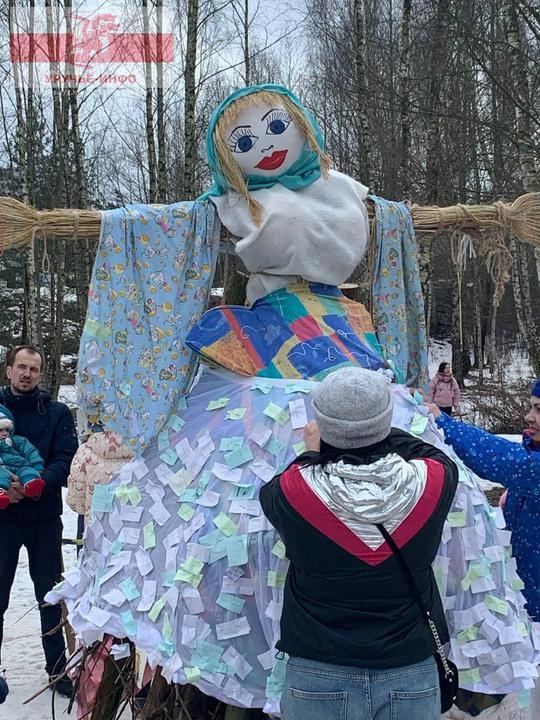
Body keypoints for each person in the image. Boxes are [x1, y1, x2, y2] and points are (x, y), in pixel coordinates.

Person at [260, 367, 458, 720]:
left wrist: (316, 448)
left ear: (322, 425)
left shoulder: (291, 494)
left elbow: (291, 476)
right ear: (385, 423)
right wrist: (374, 430)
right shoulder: (434, 481)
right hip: (410, 670)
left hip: (317, 674)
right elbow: (432, 453)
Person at [427, 377, 540, 622]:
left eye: (539, 410)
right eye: (531, 407)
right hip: (527, 591)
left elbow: (501, 459)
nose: (529, 417)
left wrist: (442, 422)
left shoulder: (532, 467)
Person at [0, 346, 78, 698]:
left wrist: (38, 485)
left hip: (44, 516)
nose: (27, 374)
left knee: (49, 596)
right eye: (21, 367)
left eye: (34, 368)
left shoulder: (57, 413)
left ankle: (58, 670)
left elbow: (66, 458)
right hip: (2, 517)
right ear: (8, 370)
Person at [0, 404, 45, 509]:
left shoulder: (17, 440)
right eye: (0, 430)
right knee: (1, 477)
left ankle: (31, 484)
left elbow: (30, 451)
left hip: (20, 465)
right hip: (3, 468)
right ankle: (1, 493)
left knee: (28, 471)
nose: (5, 433)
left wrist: (37, 465)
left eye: (7, 430)